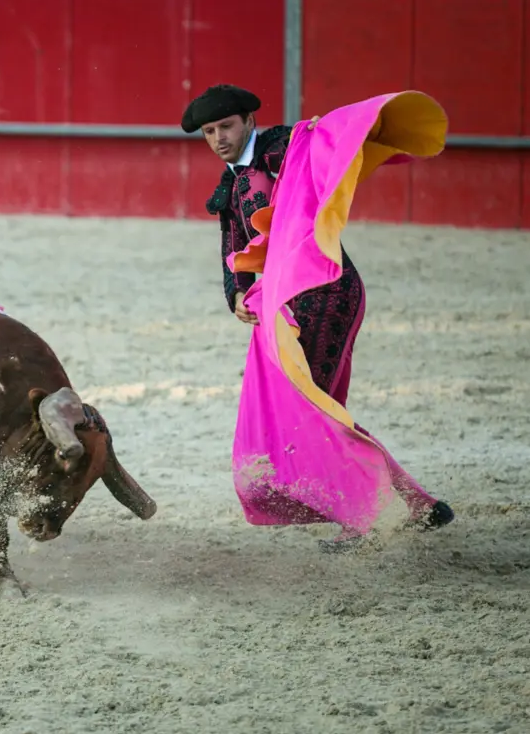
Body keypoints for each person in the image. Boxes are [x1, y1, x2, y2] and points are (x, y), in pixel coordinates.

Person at [180, 84, 454, 550]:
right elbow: (231, 248)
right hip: (286, 305)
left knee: (312, 410)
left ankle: (373, 516)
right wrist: (238, 295)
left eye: (225, 126)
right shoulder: (230, 185)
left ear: (248, 121)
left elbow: (326, 140)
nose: (218, 138)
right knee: (311, 408)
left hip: (325, 290)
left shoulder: (280, 151)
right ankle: (416, 506)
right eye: (209, 132)